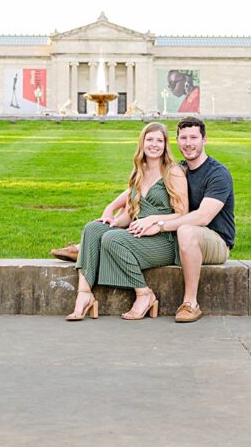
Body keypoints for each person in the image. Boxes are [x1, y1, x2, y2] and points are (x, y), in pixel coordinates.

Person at [54, 116, 235, 323]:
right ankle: (84, 291)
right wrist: (111, 210)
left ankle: (189, 302)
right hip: (172, 230)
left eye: (194, 137)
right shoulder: (178, 167)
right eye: (183, 137)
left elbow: (201, 217)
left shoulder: (215, 173)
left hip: (209, 237)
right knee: (94, 229)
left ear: (205, 139)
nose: (188, 143)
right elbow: (136, 192)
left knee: (184, 230)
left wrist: (157, 224)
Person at [65, 122, 188, 321]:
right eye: (150, 139)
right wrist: (112, 221)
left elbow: (183, 214)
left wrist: (154, 220)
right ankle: (84, 295)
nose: (154, 144)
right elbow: (131, 213)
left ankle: (144, 293)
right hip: (138, 234)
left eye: (159, 140)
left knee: (112, 239)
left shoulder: (173, 172)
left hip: (163, 239)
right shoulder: (139, 171)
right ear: (142, 142)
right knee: (93, 229)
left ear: (166, 145)